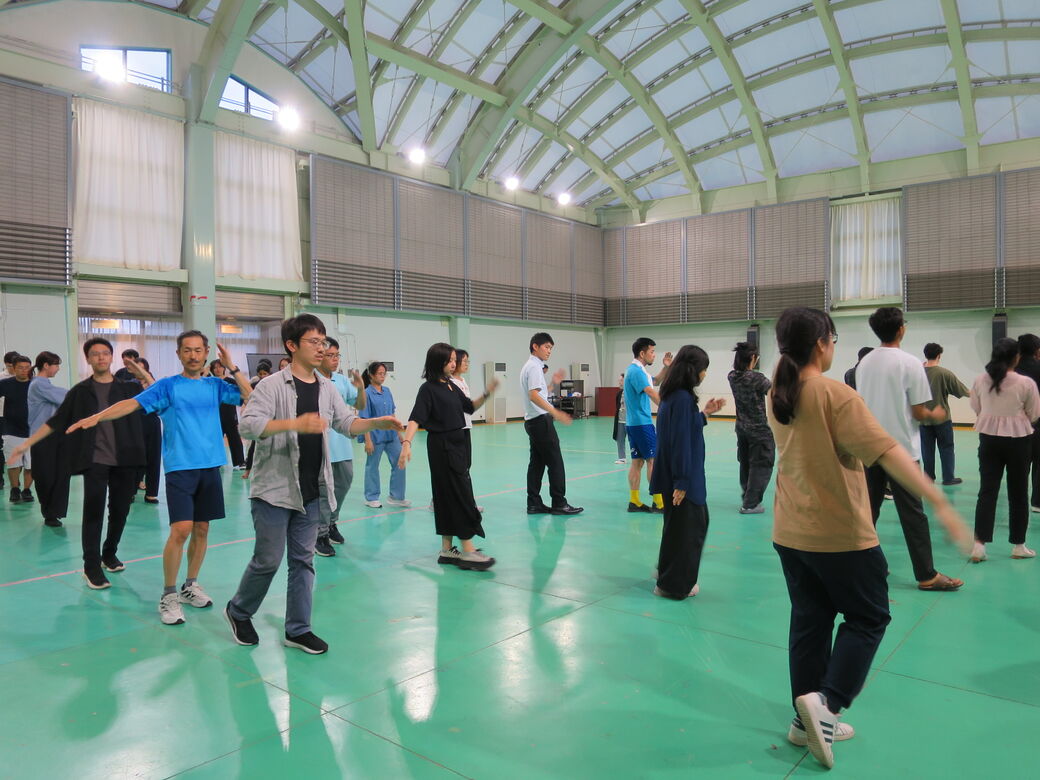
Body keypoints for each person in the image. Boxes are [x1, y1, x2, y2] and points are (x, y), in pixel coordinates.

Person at [767, 307, 970, 770]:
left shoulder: (776, 393)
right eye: (833, 338)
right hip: (838, 533)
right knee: (870, 616)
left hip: (790, 530)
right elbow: (888, 454)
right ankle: (829, 705)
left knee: (810, 622)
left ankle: (802, 723)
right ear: (822, 343)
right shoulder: (834, 394)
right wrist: (939, 503)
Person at [225, 314, 404, 654]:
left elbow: (346, 422)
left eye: (324, 342)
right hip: (274, 490)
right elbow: (247, 427)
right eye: (314, 342)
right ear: (292, 346)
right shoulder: (272, 386)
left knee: (303, 561)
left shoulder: (325, 387)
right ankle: (238, 611)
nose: (322, 348)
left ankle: (297, 628)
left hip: (312, 490)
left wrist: (377, 422)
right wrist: (294, 423)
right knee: (268, 560)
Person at [68, 331, 252, 624]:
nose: (193, 355)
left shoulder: (216, 385)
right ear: (178, 354)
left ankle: (190, 584)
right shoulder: (168, 387)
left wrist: (233, 367)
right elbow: (132, 404)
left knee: (202, 529)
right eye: (187, 350)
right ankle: (168, 594)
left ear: (206, 353)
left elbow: (249, 396)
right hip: (180, 467)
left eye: (198, 350)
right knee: (181, 530)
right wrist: (98, 416)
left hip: (211, 466)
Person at [9, 338, 147, 589]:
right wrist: (26, 444)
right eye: (95, 354)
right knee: (93, 512)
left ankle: (109, 553)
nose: (101, 358)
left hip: (126, 458)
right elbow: (56, 421)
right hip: (95, 460)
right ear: (88, 359)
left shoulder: (128, 388)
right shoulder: (81, 391)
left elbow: (157, 395)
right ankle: (91, 567)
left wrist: (141, 372)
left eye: (105, 353)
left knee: (120, 511)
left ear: (111, 357)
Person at [855, 307, 962, 591]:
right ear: (901, 329)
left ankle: (866, 568)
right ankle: (927, 575)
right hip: (901, 450)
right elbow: (918, 412)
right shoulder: (909, 363)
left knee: (868, 513)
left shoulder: (864, 364)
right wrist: (936, 414)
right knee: (913, 515)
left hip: (870, 448)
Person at [398, 343, 499, 570]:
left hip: (457, 444)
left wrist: (487, 392)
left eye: (455, 360)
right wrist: (406, 443)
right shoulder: (428, 389)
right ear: (438, 362)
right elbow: (416, 418)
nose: (454, 364)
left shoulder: (452, 386)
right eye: (450, 360)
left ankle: (446, 549)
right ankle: (468, 550)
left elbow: (470, 408)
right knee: (457, 495)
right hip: (442, 447)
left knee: (445, 496)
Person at [651, 345, 725, 600]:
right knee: (689, 530)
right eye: (703, 369)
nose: (704, 375)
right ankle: (673, 585)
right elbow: (680, 442)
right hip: (683, 477)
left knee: (677, 529)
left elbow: (684, 428)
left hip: (675, 474)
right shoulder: (681, 399)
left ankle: (666, 574)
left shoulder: (674, 395)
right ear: (693, 370)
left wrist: (704, 413)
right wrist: (682, 481)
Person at [969, 338, 1040, 562]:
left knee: (987, 491)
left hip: (988, 438)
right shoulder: (1025, 382)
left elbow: (976, 406)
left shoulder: (981, 379)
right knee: (1018, 493)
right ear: (1015, 357)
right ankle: (1018, 545)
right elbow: (1035, 413)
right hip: (1019, 440)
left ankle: (979, 545)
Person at [314, 338, 366, 557]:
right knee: (324, 493)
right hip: (321, 447)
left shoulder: (342, 381)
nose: (335, 360)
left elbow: (359, 405)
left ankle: (332, 523)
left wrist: (361, 388)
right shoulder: (312, 380)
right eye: (330, 355)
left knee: (343, 485)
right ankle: (320, 534)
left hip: (342, 446)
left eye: (337, 355)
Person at [521, 332, 582, 515]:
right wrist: (556, 412)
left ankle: (534, 503)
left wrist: (553, 384)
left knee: (537, 463)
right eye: (546, 347)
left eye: (551, 348)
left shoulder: (532, 366)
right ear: (535, 346)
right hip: (540, 421)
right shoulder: (533, 367)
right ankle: (559, 503)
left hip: (533, 421)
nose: (549, 351)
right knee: (555, 462)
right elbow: (533, 396)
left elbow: (539, 394)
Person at [624, 337, 672, 513]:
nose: (654, 355)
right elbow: (651, 391)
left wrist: (666, 366)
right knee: (653, 460)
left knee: (637, 462)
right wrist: (668, 409)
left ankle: (634, 501)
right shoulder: (636, 371)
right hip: (642, 424)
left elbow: (656, 381)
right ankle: (659, 503)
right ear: (642, 353)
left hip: (633, 424)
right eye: (652, 351)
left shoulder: (638, 370)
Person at [728, 341, 774, 514]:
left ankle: (747, 495)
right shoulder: (757, 378)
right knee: (762, 464)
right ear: (753, 358)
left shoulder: (732, 376)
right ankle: (750, 503)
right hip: (759, 429)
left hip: (741, 427)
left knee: (746, 463)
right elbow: (775, 392)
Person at [27, 351, 69, 527]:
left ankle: (55, 512)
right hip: (41, 438)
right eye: (56, 365)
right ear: (46, 365)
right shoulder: (39, 385)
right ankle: (50, 513)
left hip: (55, 436)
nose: (58, 369)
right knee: (45, 475)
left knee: (60, 474)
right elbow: (67, 396)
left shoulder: (44, 384)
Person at [920, 343, 970, 486]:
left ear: (925, 354)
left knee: (926, 450)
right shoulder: (944, 373)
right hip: (942, 419)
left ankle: (928, 478)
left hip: (923, 419)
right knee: (946, 447)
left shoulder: (918, 373)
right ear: (939, 355)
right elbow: (963, 391)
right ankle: (948, 478)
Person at [360, 361, 408, 508]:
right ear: (371, 375)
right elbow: (364, 418)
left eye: (384, 373)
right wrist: (368, 441)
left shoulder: (387, 391)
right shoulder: (366, 394)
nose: (382, 376)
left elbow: (392, 413)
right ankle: (371, 497)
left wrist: (399, 433)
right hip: (375, 437)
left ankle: (396, 496)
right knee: (372, 466)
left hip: (391, 436)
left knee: (400, 462)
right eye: (379, 373)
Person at [449, 349, 485, 512]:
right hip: (454, 429)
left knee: (466, 465)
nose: (467, 364)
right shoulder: (450, 382)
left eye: (468, 361)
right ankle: (465, 503)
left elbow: (468, 407)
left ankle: (464, 501)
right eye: (465, 361)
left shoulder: (462, 381)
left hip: (466, 427)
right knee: (458, 467)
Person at [0, 355, 35, 502]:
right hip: (11, 428)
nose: (24, 370)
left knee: (31, 463)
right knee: (13, 462)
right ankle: (15, 489)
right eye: (20, 367)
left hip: (33, 429)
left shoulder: (36, 384)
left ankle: (27, 490)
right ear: (13, 369)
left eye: (27, 367)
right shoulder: (6, 383)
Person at [1016, 333, 1040, 513]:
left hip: (1015, 426)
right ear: (1037, 350)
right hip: (1038, 424)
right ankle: (1037, 502)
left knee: (1018, 466)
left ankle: (1017, 501)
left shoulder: (1011, 371)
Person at [210, 359, 246, 470]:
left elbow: (242, 393)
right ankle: (216, 462)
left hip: (230, 415)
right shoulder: (210, 382)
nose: (218, 369)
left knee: (235, 438)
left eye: (220, 366)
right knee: (215, 439)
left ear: (224, 368)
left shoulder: (231, 381)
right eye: (215, 367)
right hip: (215, 416)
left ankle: (240, 462)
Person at [612, 373, 627, 465]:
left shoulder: (631, 392)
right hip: (620, 420)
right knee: (620, 439)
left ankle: (638, 457)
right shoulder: (619, 394)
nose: (619, 382)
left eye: (621, 380)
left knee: (633, 439)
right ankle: (622, 458)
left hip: (630, 421)